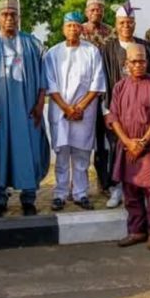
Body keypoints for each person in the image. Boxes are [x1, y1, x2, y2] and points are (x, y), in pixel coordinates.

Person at [0, 0, 50, 217]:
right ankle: (0, 198)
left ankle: (28, 198)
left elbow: (44, 78)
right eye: (5, 14)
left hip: (27, 109)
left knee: (29, 149)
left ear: (19, 17)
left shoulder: (31, 43)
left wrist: (40, 103)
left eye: (13, 14)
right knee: (0, 152)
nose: (9, 18)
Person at [44, 11, 105, 211]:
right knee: (62, 155)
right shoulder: (52, 53)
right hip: (60, 111)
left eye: (76, 26)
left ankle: (80, 194)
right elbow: (50, 84)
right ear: (63, 29)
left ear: (82, 28)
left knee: (81, 156)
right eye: (69, 26)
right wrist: (66, 108)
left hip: (84, 112)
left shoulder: (92, 51)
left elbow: (96, 84)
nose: (73, 29)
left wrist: (79, 107)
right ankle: (60, 194)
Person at [106, 43, 150, 249]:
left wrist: (142, 143)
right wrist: (128, 142)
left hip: (149, 148)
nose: (139, 64)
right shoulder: (119, 87)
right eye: (134, 61)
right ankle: (136, 231)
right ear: (126, 64)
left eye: (142, 60)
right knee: (130, 192)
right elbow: (113, 118)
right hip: (127, 146)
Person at [99, 2, 150, 208]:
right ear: (116, 24)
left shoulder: (145, 47)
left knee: (142, 147)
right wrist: (106, 111)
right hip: (117, 108)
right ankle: (116, 188)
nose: (126, 26)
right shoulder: (107, 48)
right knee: (117, 147)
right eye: (122, 22)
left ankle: (141, 186)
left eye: (130, 22)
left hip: (142, 108)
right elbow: (103, 79)